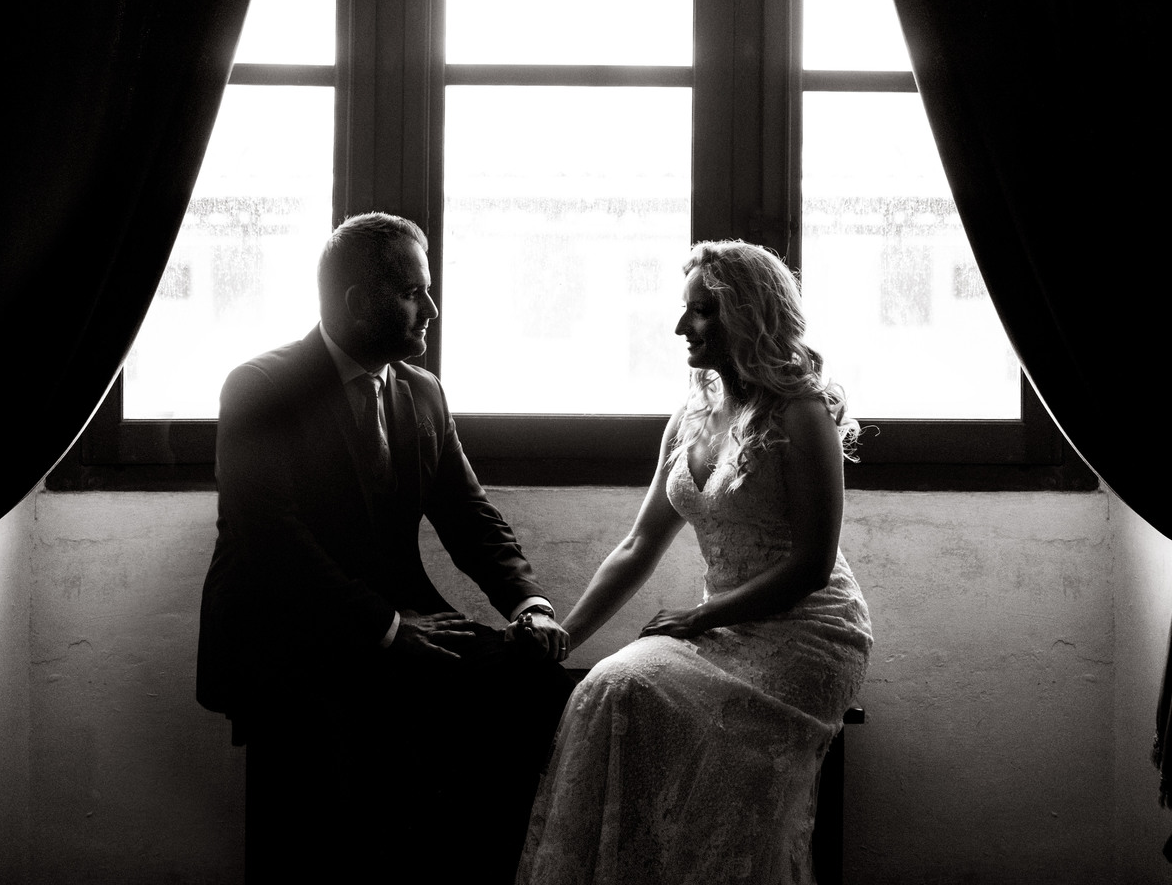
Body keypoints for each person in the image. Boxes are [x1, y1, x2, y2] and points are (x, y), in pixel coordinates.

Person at [196, 212, 573, 885]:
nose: (430, 308)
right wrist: (390, 629)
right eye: (412, 292)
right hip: (286, 636)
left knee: (535, 680)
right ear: (356, 301)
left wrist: (530, 604)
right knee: (343, 788)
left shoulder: (422, 392)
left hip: (400, 622)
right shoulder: (260, 387)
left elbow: (467, 514)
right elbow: (271, 540)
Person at [516, 240, 873, 885]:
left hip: (809, 632)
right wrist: (567, 634)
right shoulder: (690, 417)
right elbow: (638, 545)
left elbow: (813, 565)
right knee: (608, 685)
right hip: (724, 629)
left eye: (701, 311)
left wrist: (698, 620)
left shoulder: (801, 412)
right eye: (686, 311)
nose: (682, 327)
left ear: (750, 314)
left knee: (651, 707)